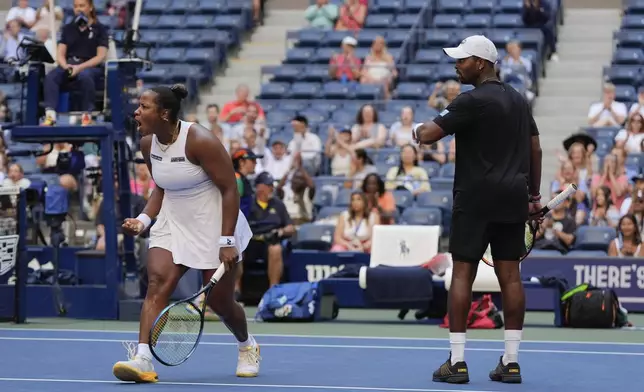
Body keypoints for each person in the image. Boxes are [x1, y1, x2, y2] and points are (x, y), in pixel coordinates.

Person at [412, 35, 543, 384]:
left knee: (462, 275)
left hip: (474, 199)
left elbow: (428, 134)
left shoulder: (469, 101)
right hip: (513, 198)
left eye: (462, 59)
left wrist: (415, 129)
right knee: (511, 277)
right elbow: (536, 151)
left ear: (481, 63)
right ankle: (511, 362)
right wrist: (533, 197)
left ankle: (456, 363)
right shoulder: (519, 101)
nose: (456, 64)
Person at [111, 84, 261, 383]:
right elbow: (162, 187)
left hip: (215, 222)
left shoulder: (200, 140)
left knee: (220, 303)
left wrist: (227, 240)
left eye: (144, 107)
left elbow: (230, 189)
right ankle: (142, 357)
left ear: (164, 114)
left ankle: (247, 345)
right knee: (157, 282)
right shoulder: (146, 144)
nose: (136, 112)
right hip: (173, 221)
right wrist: (143, 220)